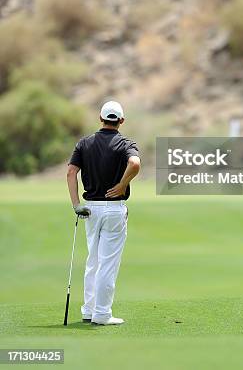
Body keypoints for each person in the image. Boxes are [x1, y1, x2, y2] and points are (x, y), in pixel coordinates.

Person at [66, 100, 140, 325]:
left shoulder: (84, 143)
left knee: (94, 260)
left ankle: (88, 310)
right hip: (114, 209)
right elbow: (135, 163)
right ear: (121, 121)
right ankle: (102, 314)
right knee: (107, 263)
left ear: (100, 118)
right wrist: (122, 184)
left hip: (89, 209)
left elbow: (71, 173)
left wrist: (76, 204)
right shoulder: (126, 143)